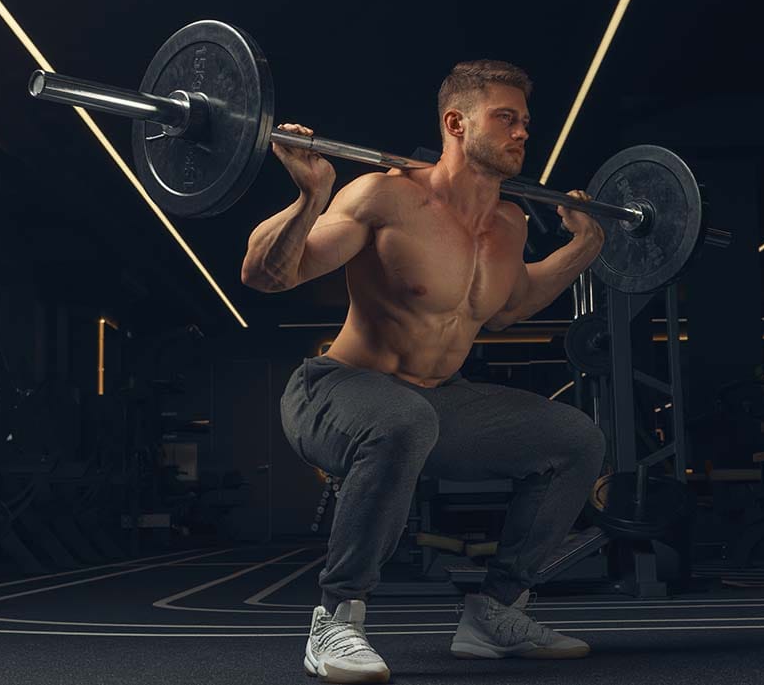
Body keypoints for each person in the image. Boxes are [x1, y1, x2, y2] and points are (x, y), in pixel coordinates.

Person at [241, 60, 607, 684]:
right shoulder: (385, 196)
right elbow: (269, 275)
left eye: (525, 122)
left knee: (576, 440)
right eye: (507, 118)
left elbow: (510, 306)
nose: (523, 133)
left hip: (437, 405)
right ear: (456, 123)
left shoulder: (510, 223)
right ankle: (337, 618)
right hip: (336, 391)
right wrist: (310, 197)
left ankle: (495, 613)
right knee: (401, 419)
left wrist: (582, 247)